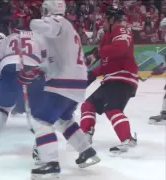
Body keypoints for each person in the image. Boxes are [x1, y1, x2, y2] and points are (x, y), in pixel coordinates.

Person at [28, 0, 100, 179]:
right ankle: (86, 151)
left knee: (41, 119)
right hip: (78, 80)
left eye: (45, 9)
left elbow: (49, 27)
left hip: (64, 80)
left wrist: (31, 23)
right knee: (63, 120)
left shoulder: (57, 21)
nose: (43, 13)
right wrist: (41, 68)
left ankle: (50, 163)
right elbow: (58, 57)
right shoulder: (69, 29)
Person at [0, 21, 47, 156]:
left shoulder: (8, 38)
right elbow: (45, 62)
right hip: (31, 69)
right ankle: (39, 145)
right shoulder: (40, 38)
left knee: (3, 108)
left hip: (9, 69)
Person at [79, 4, 138, 155]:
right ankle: (86, 134)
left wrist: (98, 52)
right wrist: (91, 75)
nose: (103, 21)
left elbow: (122, 47)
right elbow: (106, 64)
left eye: (106, 18)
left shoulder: (121, 29)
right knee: (88, 105)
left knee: (112, 109)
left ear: (112, 19)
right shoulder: (107, 36)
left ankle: (128, 140)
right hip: (112, 79)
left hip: (122, 78)